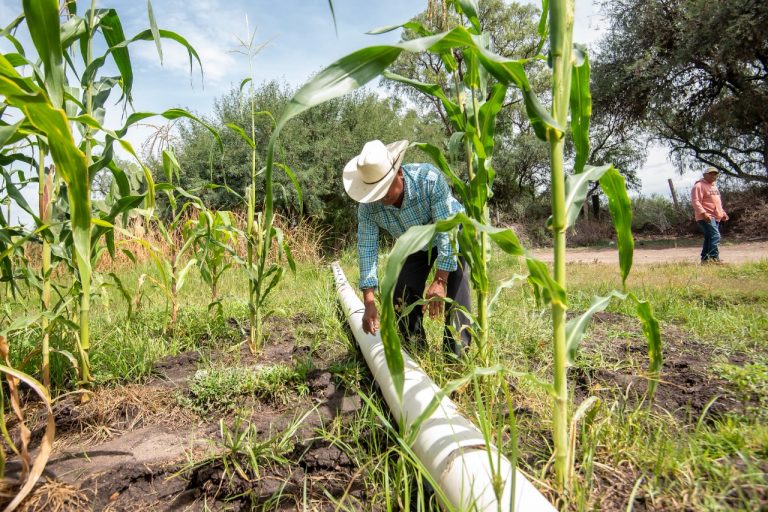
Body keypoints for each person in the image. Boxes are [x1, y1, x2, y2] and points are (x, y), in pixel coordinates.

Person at [343, 139, 471, 356]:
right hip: (415, 243)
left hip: (451, 234)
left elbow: (446, 231)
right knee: (402, 294)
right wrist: (369, 301)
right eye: (374, 191)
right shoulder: (368, 208)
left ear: (399, 173)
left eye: (384, 187)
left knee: (457, 290)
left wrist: (440, 280)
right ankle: (416, 351)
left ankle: (457, 359)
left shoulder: (428, 179)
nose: (381, 196)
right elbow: (367, 247)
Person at [691, 167, 729, 263]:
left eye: (715, 174)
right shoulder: (698, 186)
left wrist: (723, 213)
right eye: (710, 174)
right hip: (706, 216)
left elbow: (717, 202)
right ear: (704, 175)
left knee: (709, 237)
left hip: (716, 217)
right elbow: (695, 201)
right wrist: (703, 214)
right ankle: (713, 258)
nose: (713, 176)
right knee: (716, 236)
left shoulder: (714, 187)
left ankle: (705, 259)